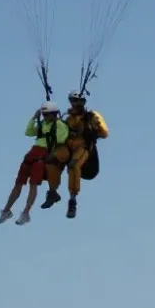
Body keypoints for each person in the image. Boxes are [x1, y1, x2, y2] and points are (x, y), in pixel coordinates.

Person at [0, 102, 69, 226]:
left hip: (43, 156)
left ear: (53, 114)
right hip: (31, 154)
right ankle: (6, 210)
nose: (45, 117)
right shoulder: (42, 124)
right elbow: (28, 132)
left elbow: (61, 140)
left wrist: (55, 127)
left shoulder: (60, 125)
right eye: (43, 115)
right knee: (18, 183)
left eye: (47, 115)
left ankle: (26, 213)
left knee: (33, 184)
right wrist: (34, 118)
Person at [41, 90, 109, 219]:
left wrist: (95, 125)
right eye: (75, 101)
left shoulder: (91, 116)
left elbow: (104, 133)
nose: (78, 104)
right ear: (71, 102)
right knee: (52, 160)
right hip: (69, 148)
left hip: (84, 150)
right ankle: (52, 192)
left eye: (80, 101)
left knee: (73, 164)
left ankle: (72, 200)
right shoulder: (68, 118)